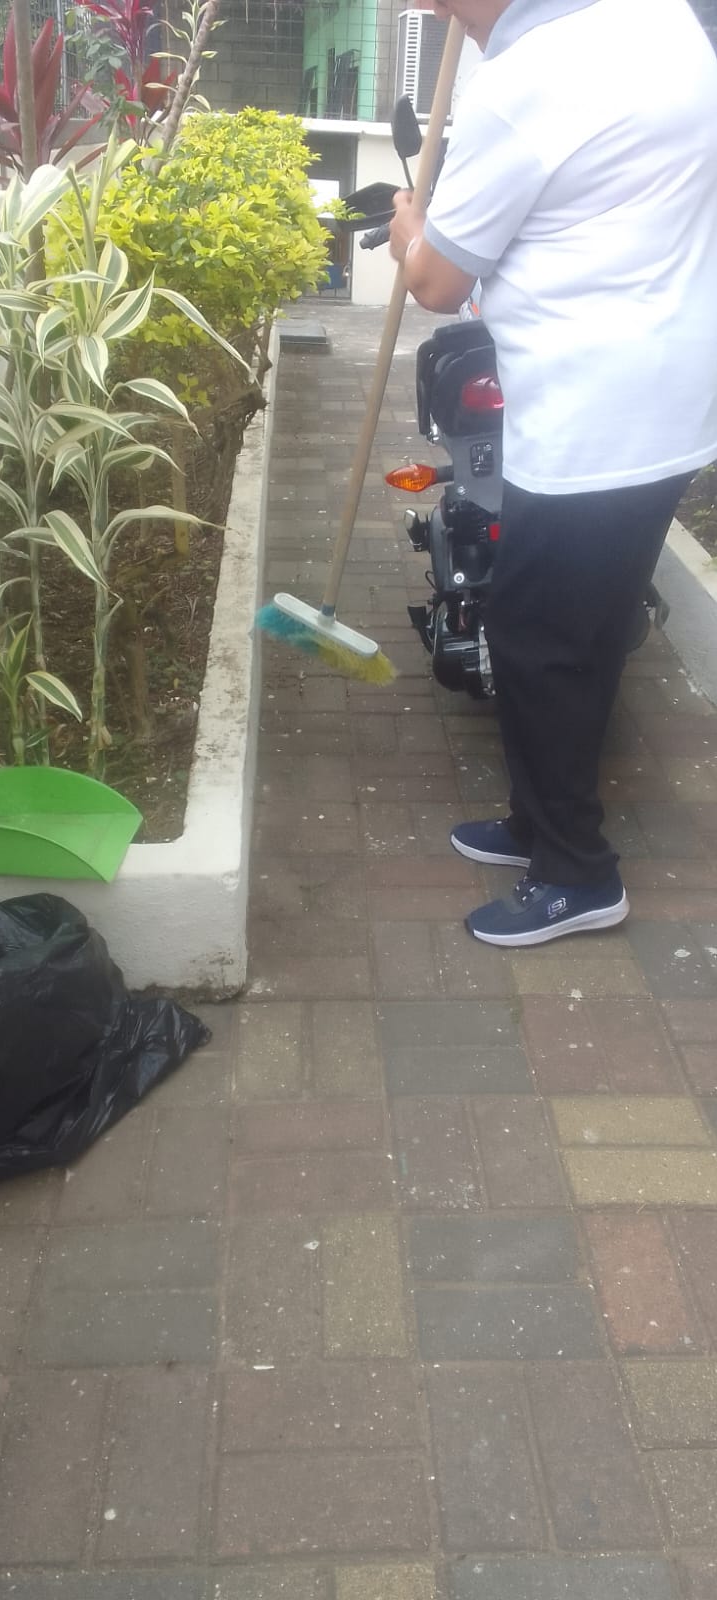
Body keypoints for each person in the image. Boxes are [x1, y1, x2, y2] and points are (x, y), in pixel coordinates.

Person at [389, 0, 717, 948]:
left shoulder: (524, 84)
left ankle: (576, 873)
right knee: (589, 631)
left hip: (587, 420)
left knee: (535, 642)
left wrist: (412, 226)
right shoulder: (665, 22)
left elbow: (438, 283)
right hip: (667, 402)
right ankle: (536, 822)